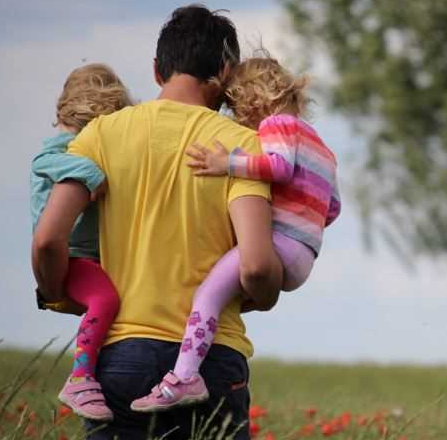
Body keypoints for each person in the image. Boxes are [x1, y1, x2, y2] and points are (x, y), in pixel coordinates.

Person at [31, 4, 282, 440]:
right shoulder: (241, 147)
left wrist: (58, 290)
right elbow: (255, 266)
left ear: (156, 70)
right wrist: (266, 292)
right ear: (225, 74)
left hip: (120, 355)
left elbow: (47, 238)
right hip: (212, 361)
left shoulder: (101, 135)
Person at [131, 51, 341, 413]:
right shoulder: (322, 147)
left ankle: (183, 377)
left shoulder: (278, 126)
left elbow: (277, 167)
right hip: (305, 254)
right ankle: (196, 358)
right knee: (226, 295)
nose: (238, 118)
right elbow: (333, 207)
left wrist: (225, 163)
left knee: (207, 295)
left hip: (280, 245)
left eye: (238, 107)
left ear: (257, 98)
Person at [30, 63, 131, 421]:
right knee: (105, 298)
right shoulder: (62, 147)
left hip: (86, 257)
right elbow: (45, 161)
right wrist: (91, 174)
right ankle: (80, 376)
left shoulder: (76, 144)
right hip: (71, 257)